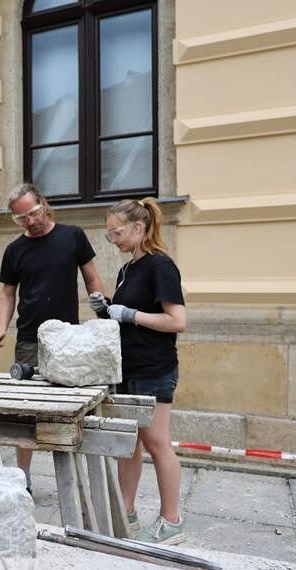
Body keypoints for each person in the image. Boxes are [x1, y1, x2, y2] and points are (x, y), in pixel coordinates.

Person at [0, 182, 105, 491]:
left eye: (33, 212)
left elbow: (92, 278)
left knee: (68, 407)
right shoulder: (14, 250)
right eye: (22, 218)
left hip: (68, 338)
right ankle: (22, 476)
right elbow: (7, 293)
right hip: (29, 337)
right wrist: (2, 326)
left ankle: (75, 478)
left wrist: (105, 318)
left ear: (45, 203)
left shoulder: (73, 236)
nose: (30, 220)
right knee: (24, 407)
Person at [91, 197, 187, 544]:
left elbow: (177, 321)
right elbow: (126, 320)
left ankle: (171, 520)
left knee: (157, 443)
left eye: (116, 233)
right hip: (126, 368)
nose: (113, 240)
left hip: (154, 368)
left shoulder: (161, 266)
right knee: (127, 444)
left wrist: (131, 314)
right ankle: (125, 512)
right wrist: (107, 310)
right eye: (109, 235)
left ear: (138, 228)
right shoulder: (128, 269)